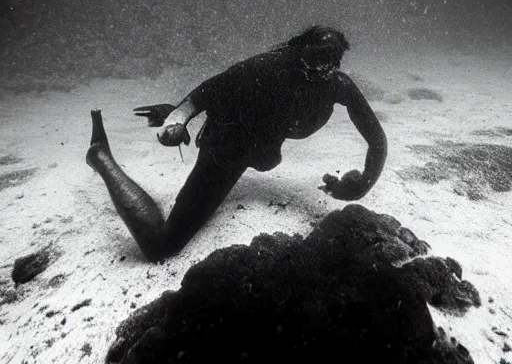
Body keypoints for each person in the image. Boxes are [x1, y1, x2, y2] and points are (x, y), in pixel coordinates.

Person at [86, 25, 387, 262]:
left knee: (266, 154)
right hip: (230, 143)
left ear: (336, 64)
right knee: (161, 246)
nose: (317, 71)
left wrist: (363, 183)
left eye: (328, 64)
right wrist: (178, 119)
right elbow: (207, 91)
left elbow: (376, 138)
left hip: (264, 145)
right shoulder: (268, 68)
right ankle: (100, 156)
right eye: (312, 60)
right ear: (298, 51)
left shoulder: (336, 86)